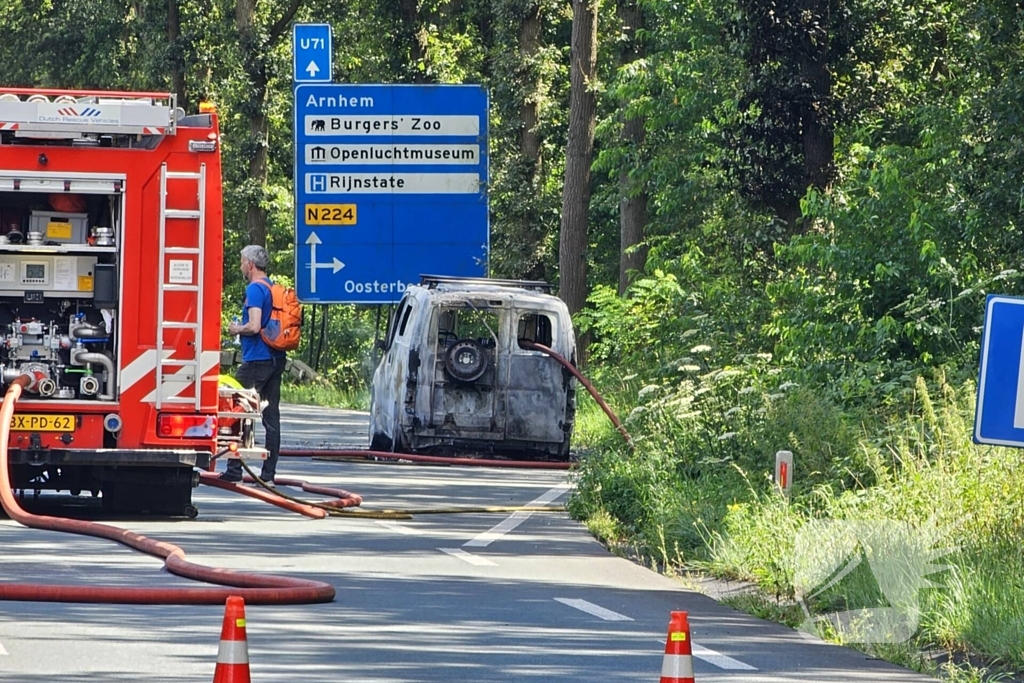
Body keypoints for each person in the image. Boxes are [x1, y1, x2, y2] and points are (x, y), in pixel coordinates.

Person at [220, 245, 285, 484]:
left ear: (250, 264)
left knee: (235, 410)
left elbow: (255, 326)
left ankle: (234, 470)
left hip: (256, 359)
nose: (240, 266)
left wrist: (236, 328)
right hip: (275, 360)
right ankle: (268, 475)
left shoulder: (255, 289)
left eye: (241, 261)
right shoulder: (271, 287)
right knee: (271, 417)